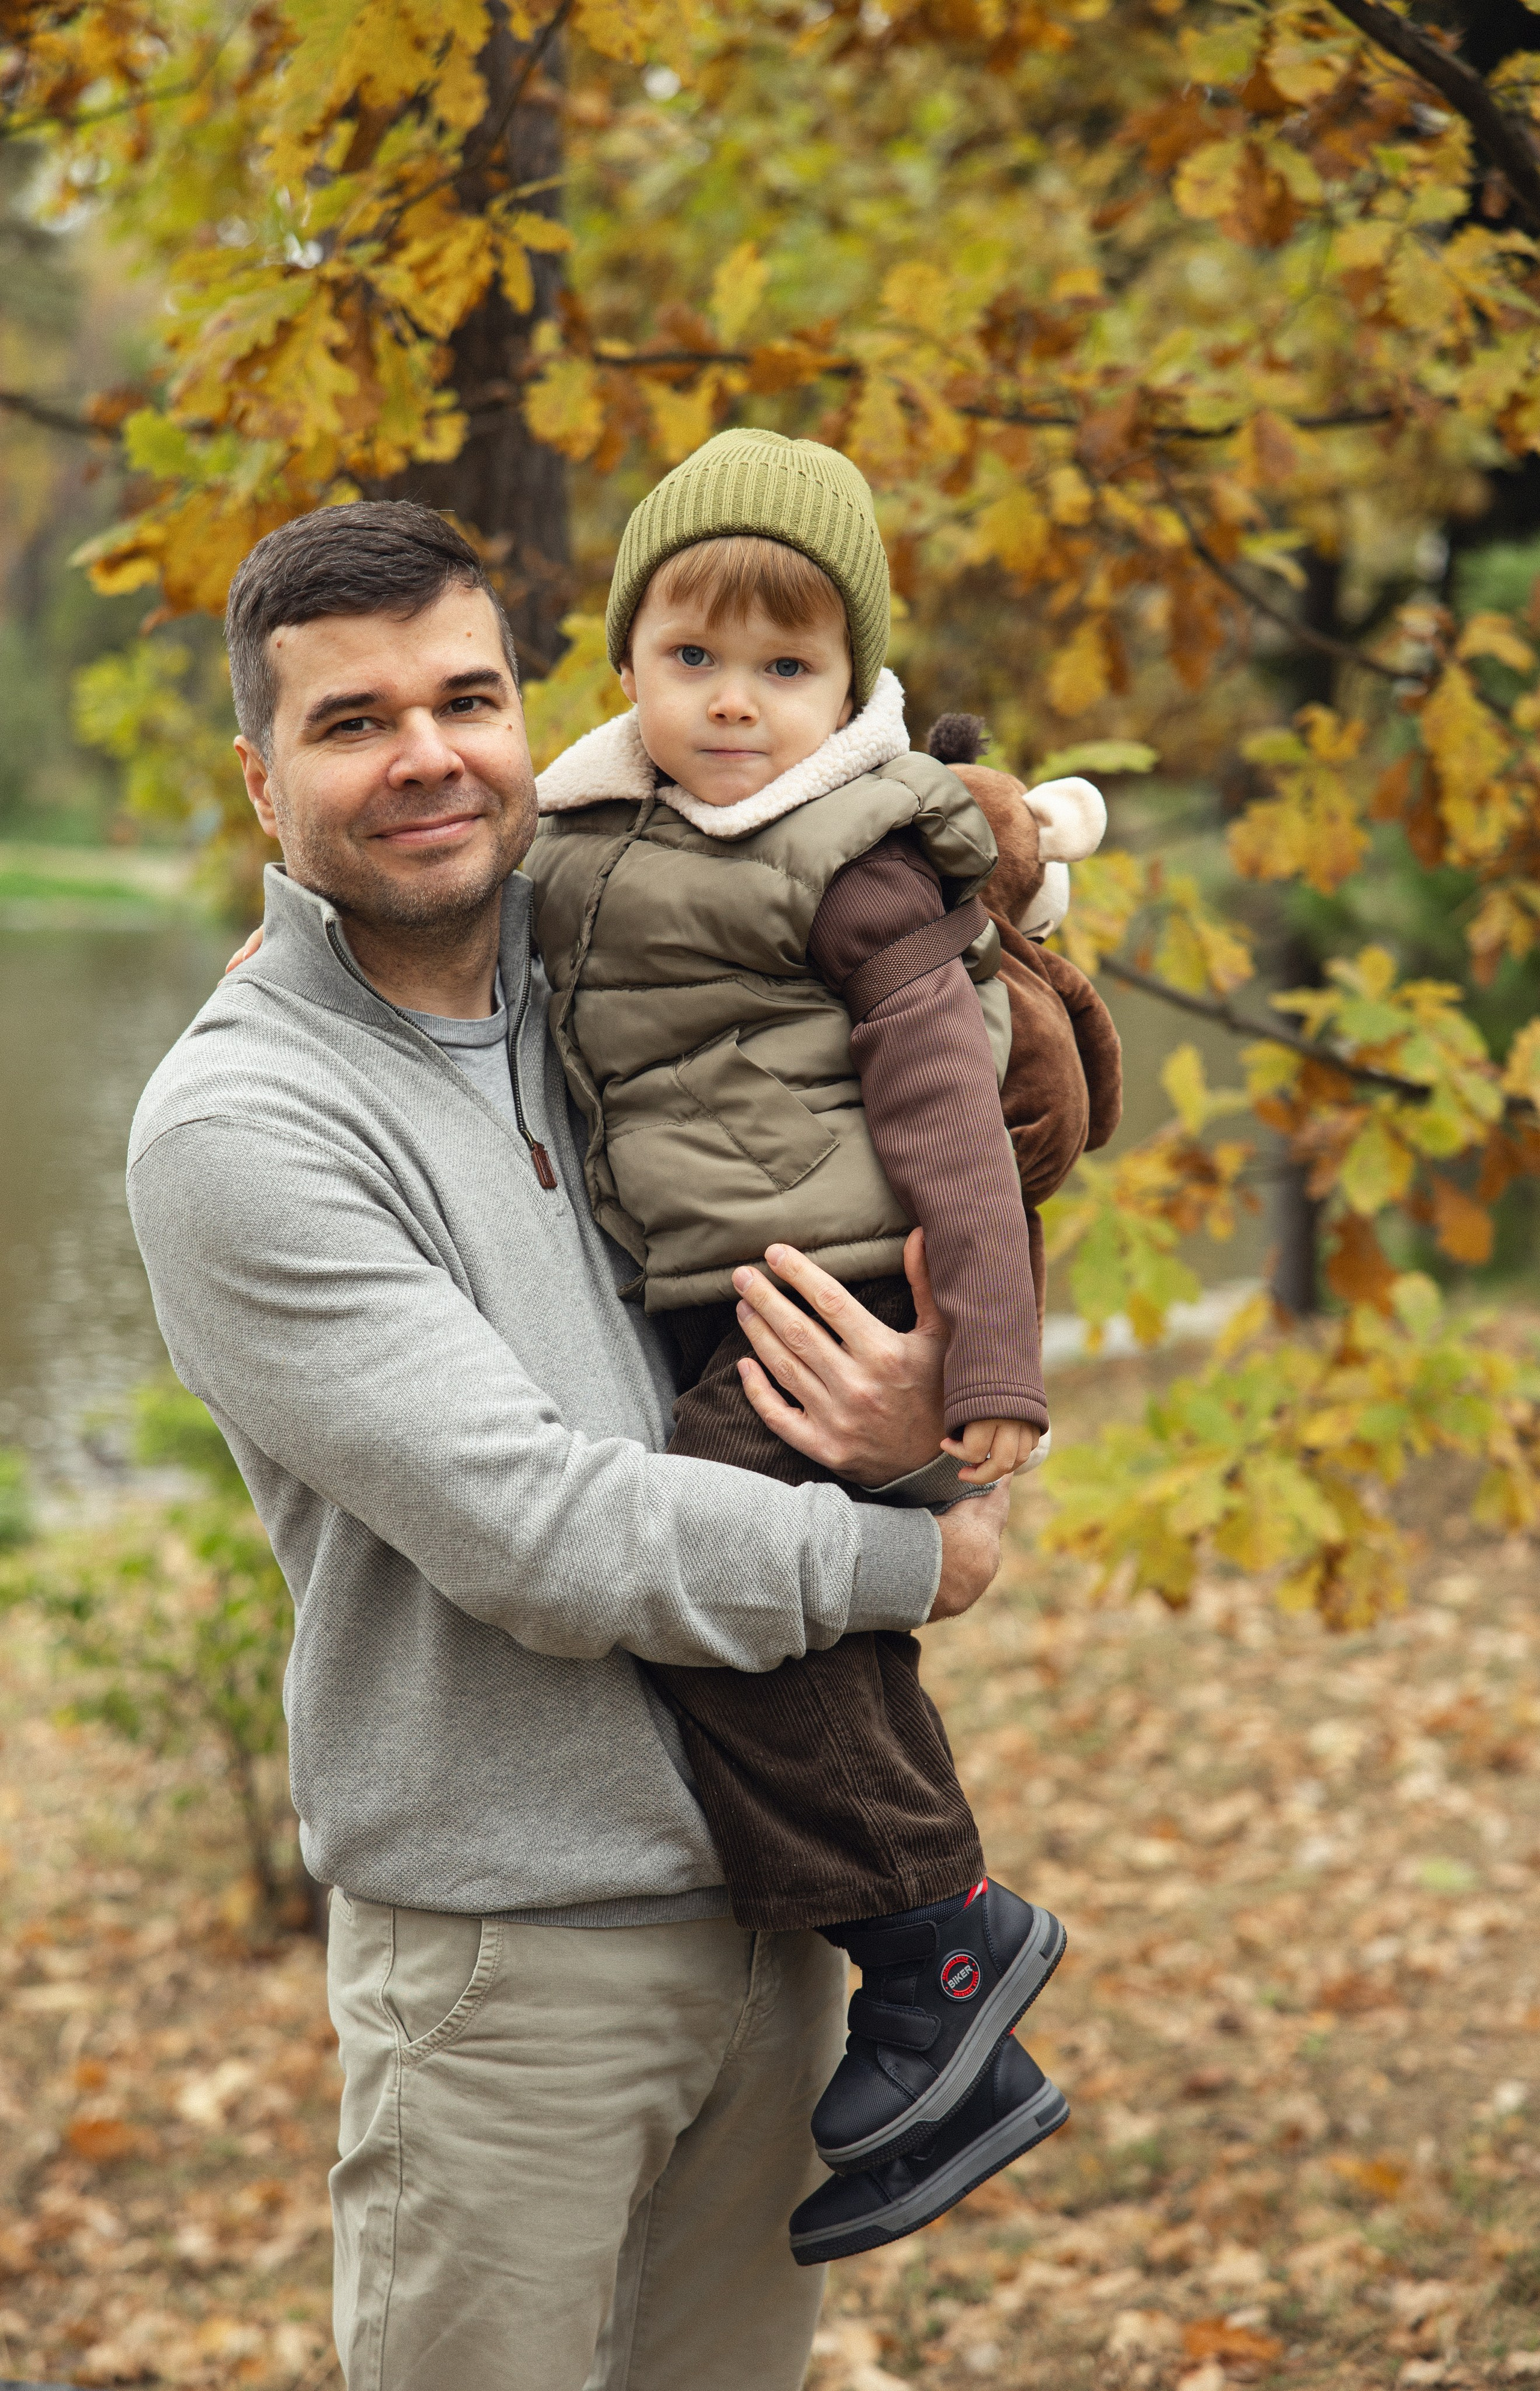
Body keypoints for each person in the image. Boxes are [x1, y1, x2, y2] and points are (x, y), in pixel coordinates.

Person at [127, 497, 1015, 2391]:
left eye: (468, 697)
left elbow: (930, 1088)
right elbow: (542, 1535)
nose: (430, 754)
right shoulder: (243, 1125)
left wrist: (934, 1411)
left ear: (539, 715)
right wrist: (912, 1557)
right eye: (352, 722)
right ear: (260, 780)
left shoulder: (625, 964)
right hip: (511, 1962)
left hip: (787, 1920)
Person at [525, 428, 1106, 2261]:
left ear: (854, 685)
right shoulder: (580, 827)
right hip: (712, 1275)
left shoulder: (853, 858)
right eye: (695, 659)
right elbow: (461, 931)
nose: (737, 706)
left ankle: (943, 1939)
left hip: (842, 1274)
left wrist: (990, 1375)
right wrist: (277, 947)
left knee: (714, 1575)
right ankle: (966, 2054)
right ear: (627, 659)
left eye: (789, 670)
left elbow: (949, 1126)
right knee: (759, 1605)